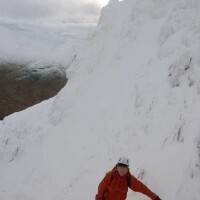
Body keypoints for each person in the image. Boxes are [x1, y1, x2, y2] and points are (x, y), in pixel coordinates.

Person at [96, 157, 162, 200]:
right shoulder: (110, 176)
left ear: (127, 169)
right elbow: (101, 189)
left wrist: (154, 197)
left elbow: (142, 188)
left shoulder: (128, 179)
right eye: (120, 167)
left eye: (124, 167)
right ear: (117, 167)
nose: (122, 170)